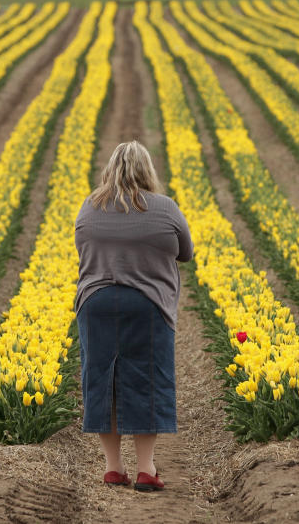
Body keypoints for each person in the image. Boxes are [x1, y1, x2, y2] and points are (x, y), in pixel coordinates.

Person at [74, 140, 193, 492]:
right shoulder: (165, 208)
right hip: (147, 305)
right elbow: (185, 252)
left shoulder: (89, 208)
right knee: (148, 382)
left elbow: (81, 247)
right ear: (147, 170)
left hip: (95, 303)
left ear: (109, 169)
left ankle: (113, 468)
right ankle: (146, 469)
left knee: (101, 381)